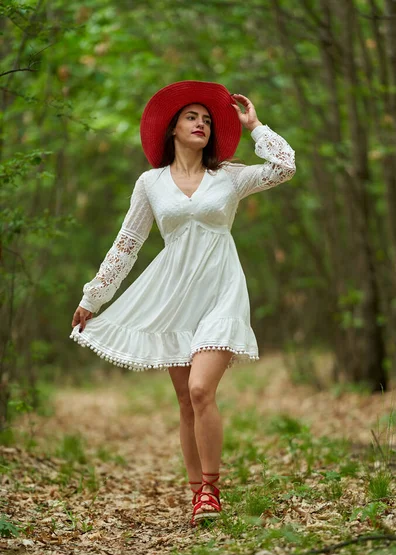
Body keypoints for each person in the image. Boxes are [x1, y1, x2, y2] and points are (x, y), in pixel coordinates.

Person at [70, 80, 296, 527]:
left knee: (200, 389)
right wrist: (93, 297)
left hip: (221, 292)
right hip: (173, 296)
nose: (202, 124)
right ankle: (198, 495)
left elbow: (284, 166)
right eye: (193, 117)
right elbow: (128, 243)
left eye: (208, 120)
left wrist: (255, 126)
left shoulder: (229, 176)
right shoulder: (150, 183)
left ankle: (211, 489)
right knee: (185, 401)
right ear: (172, 128)